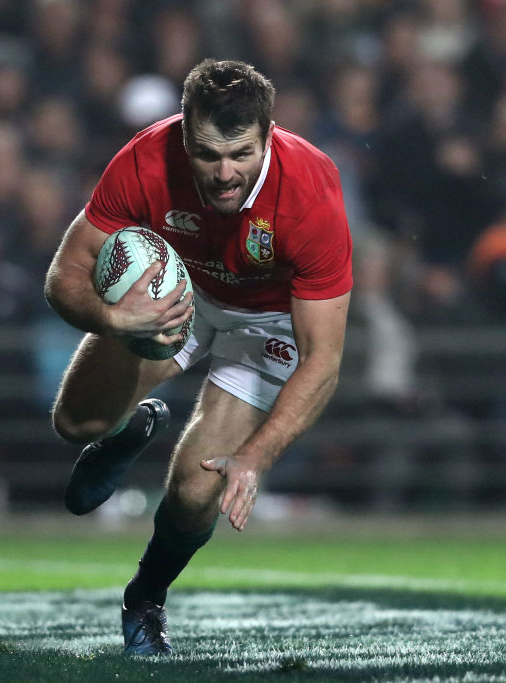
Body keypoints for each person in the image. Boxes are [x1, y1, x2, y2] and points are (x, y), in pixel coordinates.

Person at [44, 59, 352, 656]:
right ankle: (132, 429)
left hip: (267, 323)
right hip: (181, 288)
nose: (225, 173)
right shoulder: (143, 159)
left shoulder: (311, 192)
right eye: (208, 155)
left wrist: (255, 457)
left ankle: (146, 598)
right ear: (183, 134)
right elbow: (65, 274)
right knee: (73, 423)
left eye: (241, 154)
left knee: (192, 492)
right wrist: (112, 319)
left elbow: (324, 360)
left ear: (267, 135)